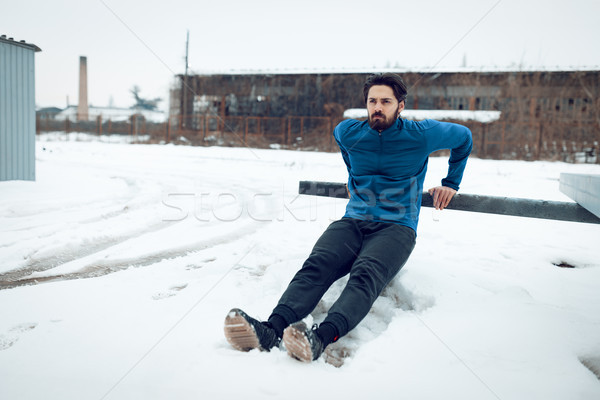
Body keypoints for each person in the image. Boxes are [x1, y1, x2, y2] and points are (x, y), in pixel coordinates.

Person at [224, 72, 473, 363]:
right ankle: (270, 330)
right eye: (372, 101)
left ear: (401, 106)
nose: (377, 107)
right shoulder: (348, 132)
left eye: (386, 101)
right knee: (317, 266)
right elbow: (348, 154)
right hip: (353, 221)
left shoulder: (422, 134)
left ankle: (319, 338)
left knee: (365, 276)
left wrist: (451, 183)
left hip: (396, 227)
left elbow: (464, 139)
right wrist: (354, 178)